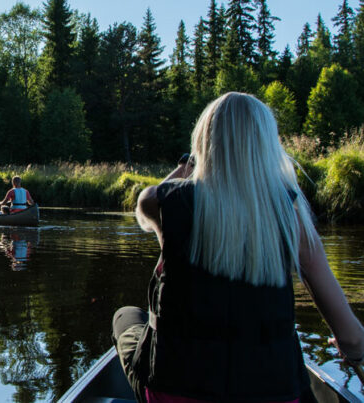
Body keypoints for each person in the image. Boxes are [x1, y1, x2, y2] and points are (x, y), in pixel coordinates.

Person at [112, 92, 364, 403]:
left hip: (176, 392)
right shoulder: (291, 218)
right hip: (274, 393)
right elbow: (351, 337)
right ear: (266, 147)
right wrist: (355, 353)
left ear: (203, 146)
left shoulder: (166, 205)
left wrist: (187, 167)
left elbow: (145, 207)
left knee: (126, 317)